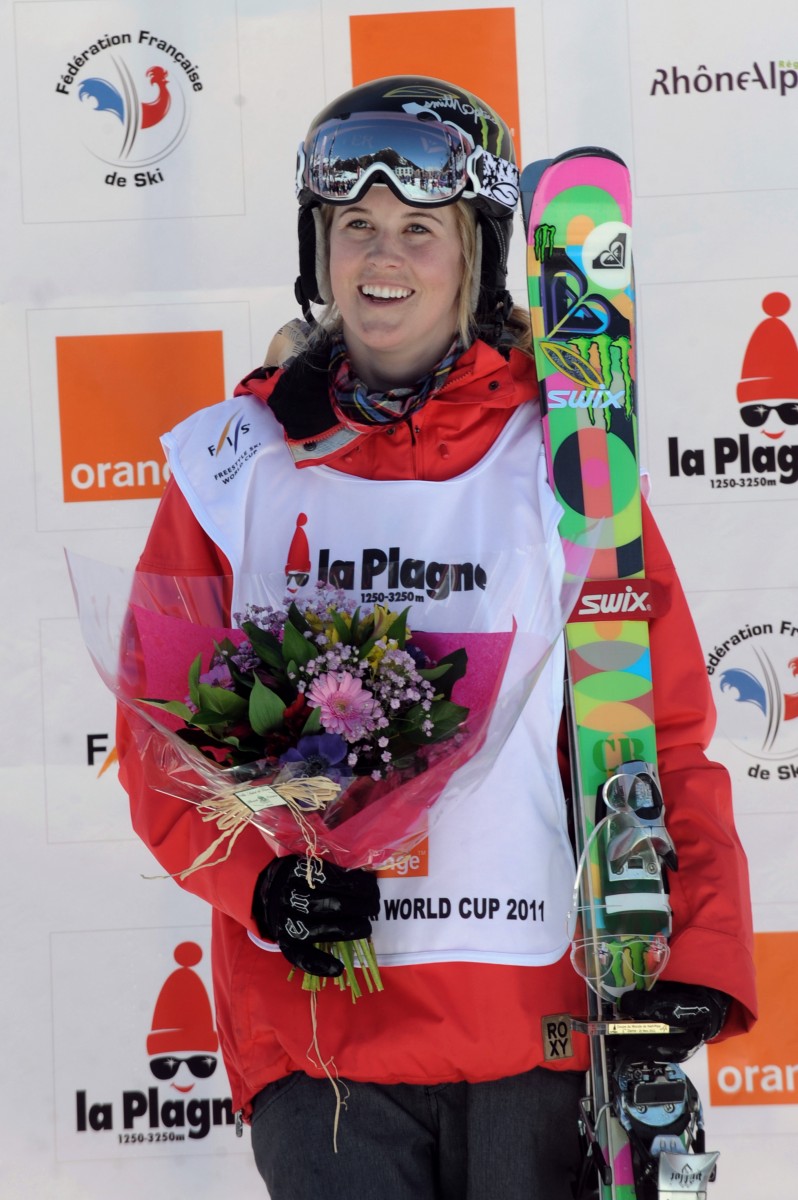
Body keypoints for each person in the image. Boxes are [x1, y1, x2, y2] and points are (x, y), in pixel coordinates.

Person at [116, 76, 757, 1199]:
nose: (384, 256)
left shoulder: (566, 463)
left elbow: (654, 730)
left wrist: (691, 950)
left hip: (529, 1014)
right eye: (354, 225)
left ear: (476, 256)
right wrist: (266, 887)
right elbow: (160, 738)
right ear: (318, 251)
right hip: (322, 1030)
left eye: (421, 228)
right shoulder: (235, 468)